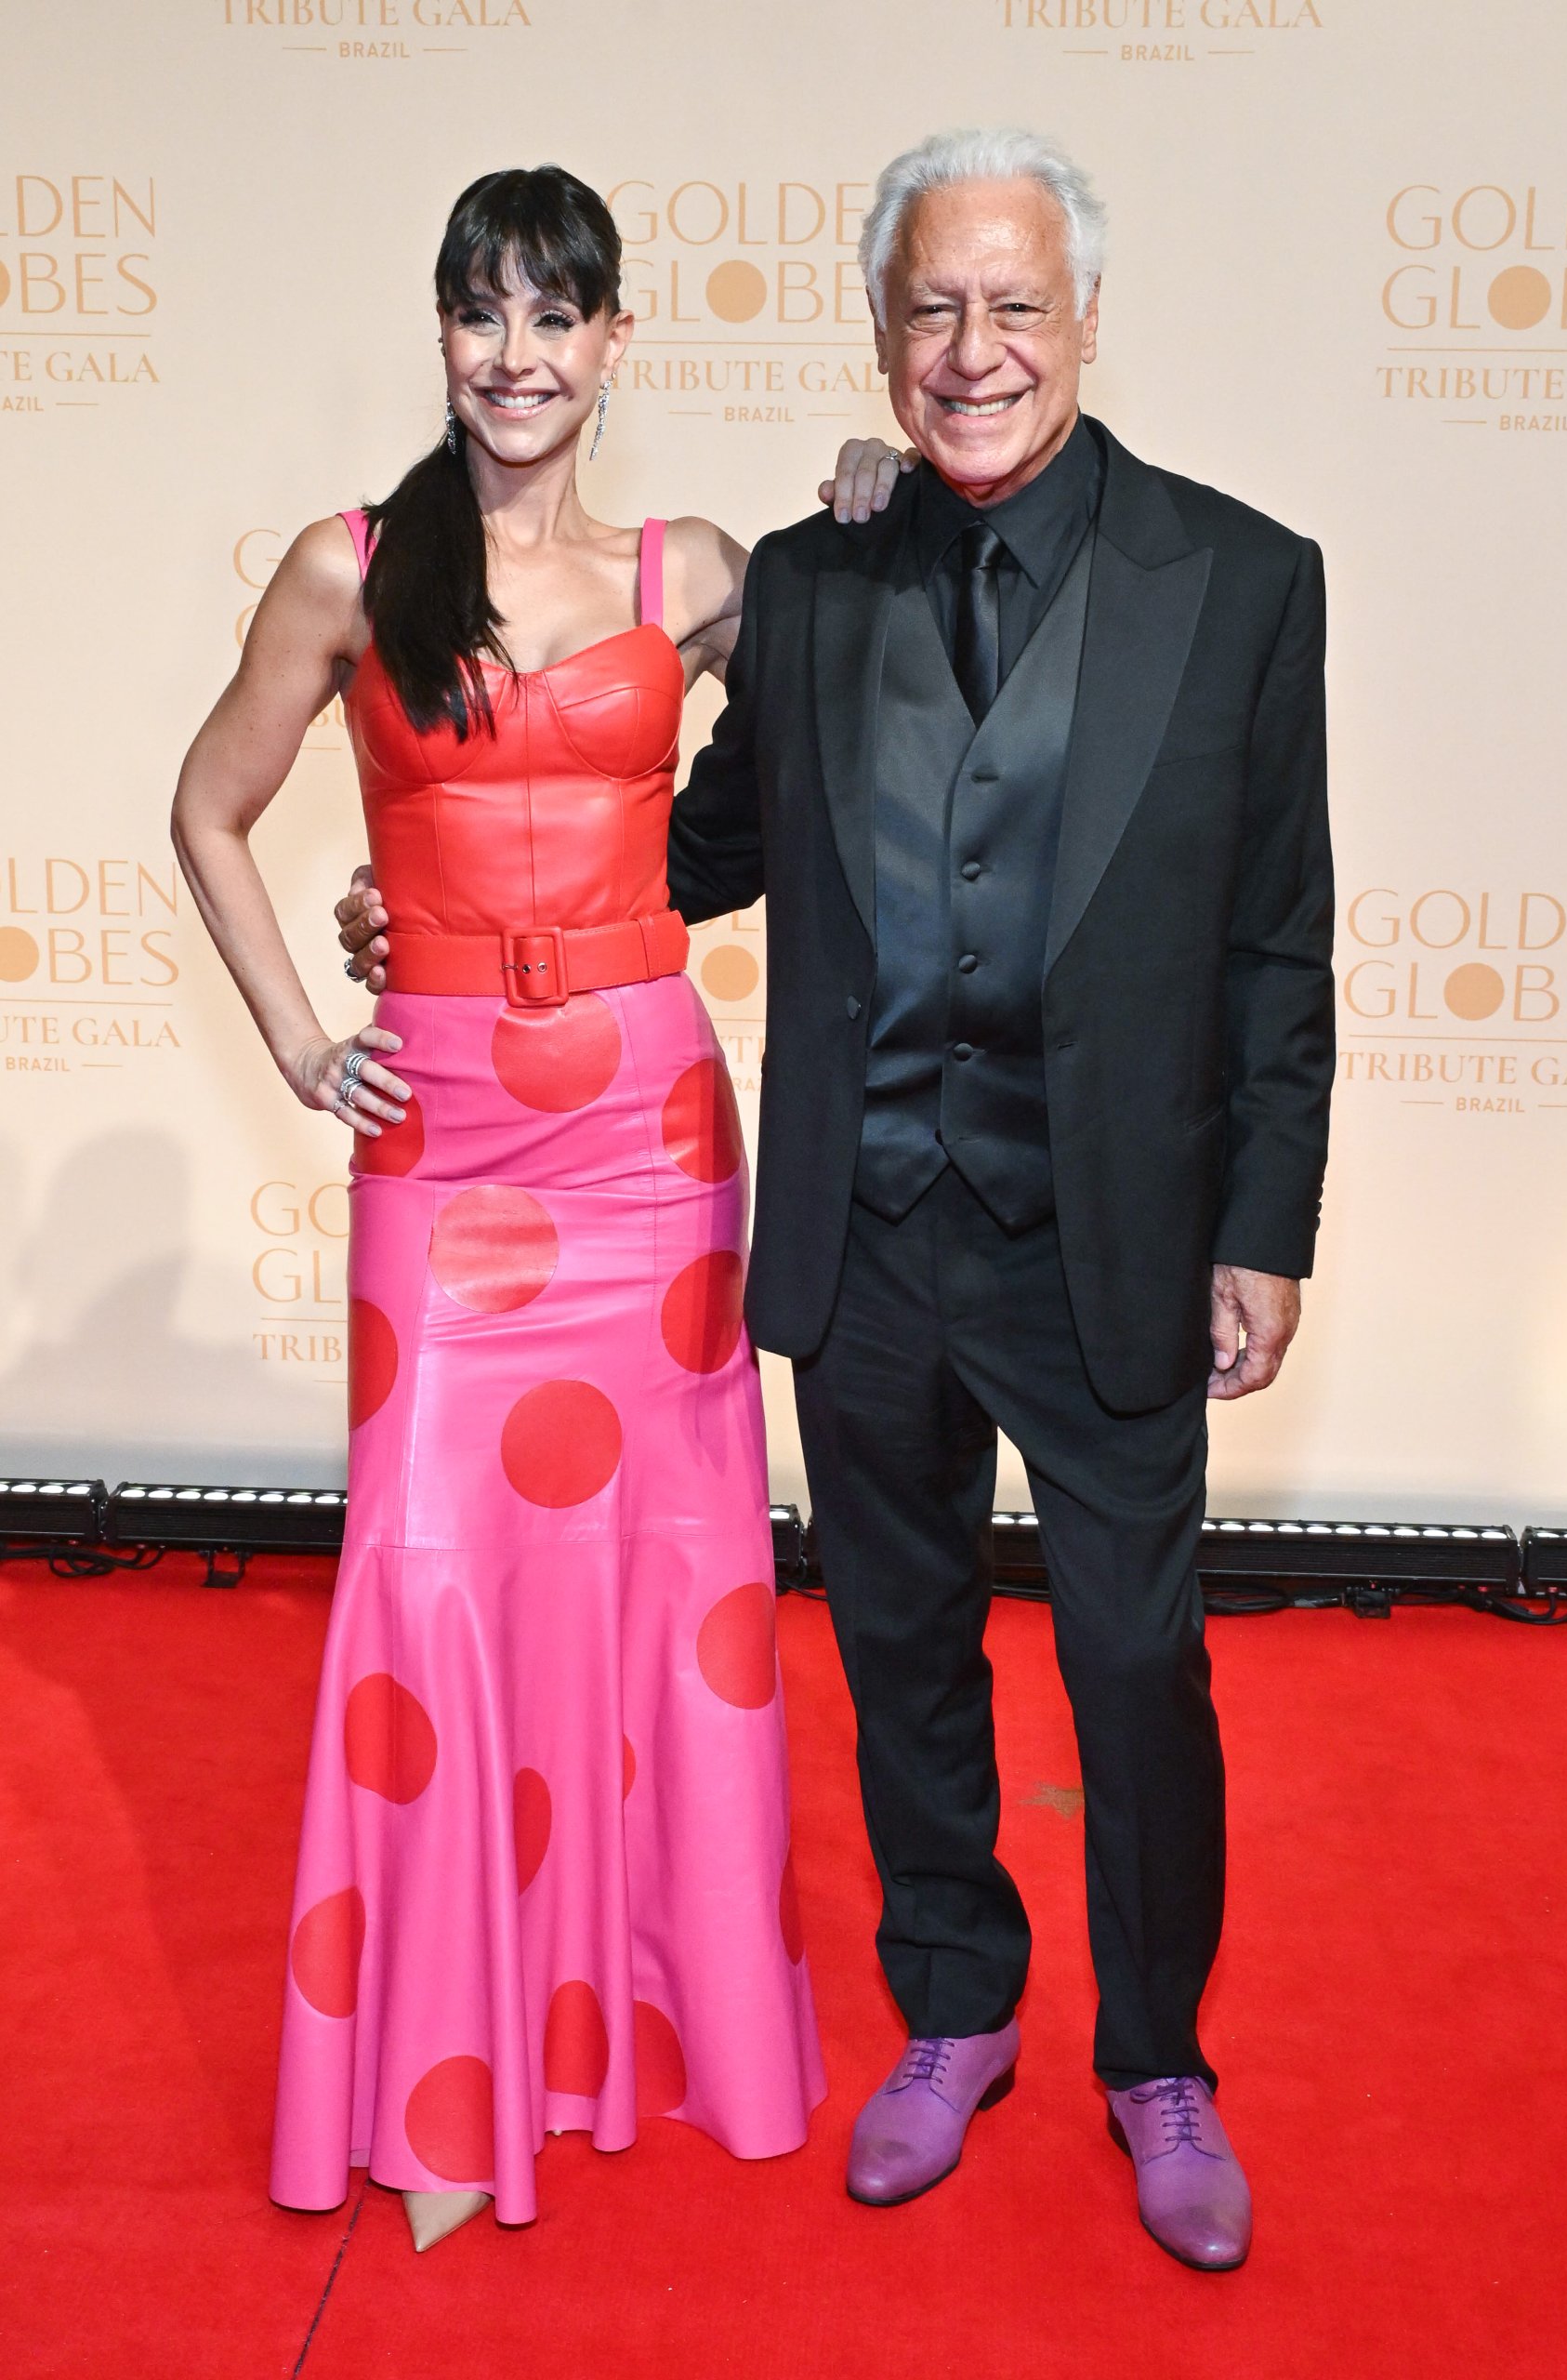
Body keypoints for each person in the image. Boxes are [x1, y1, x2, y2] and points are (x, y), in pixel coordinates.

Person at [342, 128, 1336, 2273]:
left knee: (1138, 1664)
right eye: (929, 310)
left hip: (1115, 1240)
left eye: (1012, 307)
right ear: (883, 335)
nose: (971, 350)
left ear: (1084, 321)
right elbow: (689, 844)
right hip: (864, 1229)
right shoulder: (807, 578)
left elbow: (1277, 942)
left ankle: (1157, 2052)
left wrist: (1265, 1221)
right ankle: (955, 2006)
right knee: (899, 1653)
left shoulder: (1246, 579)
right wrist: (443, 889)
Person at [171, 165, 904, 2254]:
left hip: (648, 1141)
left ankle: (646, 2013)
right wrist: (315, 1039)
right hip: (446, 1150)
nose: (518, 355)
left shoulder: (703, 572)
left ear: (611, 343)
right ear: (443, 331)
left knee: (673, 1576)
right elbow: (209, 802)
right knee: (420, 1570)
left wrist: (875, 482)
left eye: (556, 316)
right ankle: (438, 2041)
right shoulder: (352, 564)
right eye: (485, 313)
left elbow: (872, 657)